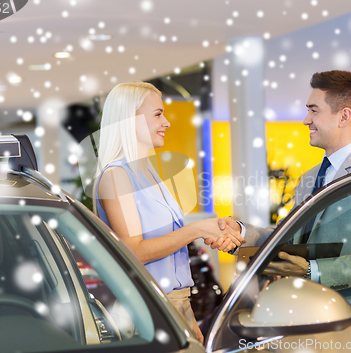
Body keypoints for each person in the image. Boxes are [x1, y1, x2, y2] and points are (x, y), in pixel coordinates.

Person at [212, 70, 351, 293]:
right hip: (305, 310)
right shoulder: (310, 177)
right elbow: (289, 239)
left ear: (344, 116)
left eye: (314, 111)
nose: (306, 120)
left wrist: (311, 270)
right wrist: (240, 232)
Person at [93, 82, 244, 344]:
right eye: (157, 114)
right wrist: (196, 230)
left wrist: (189, 318)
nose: (166, 123)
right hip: (148, 310)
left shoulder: (148, 174)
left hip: (175, 305)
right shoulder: (116, 176)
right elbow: (134, 251)